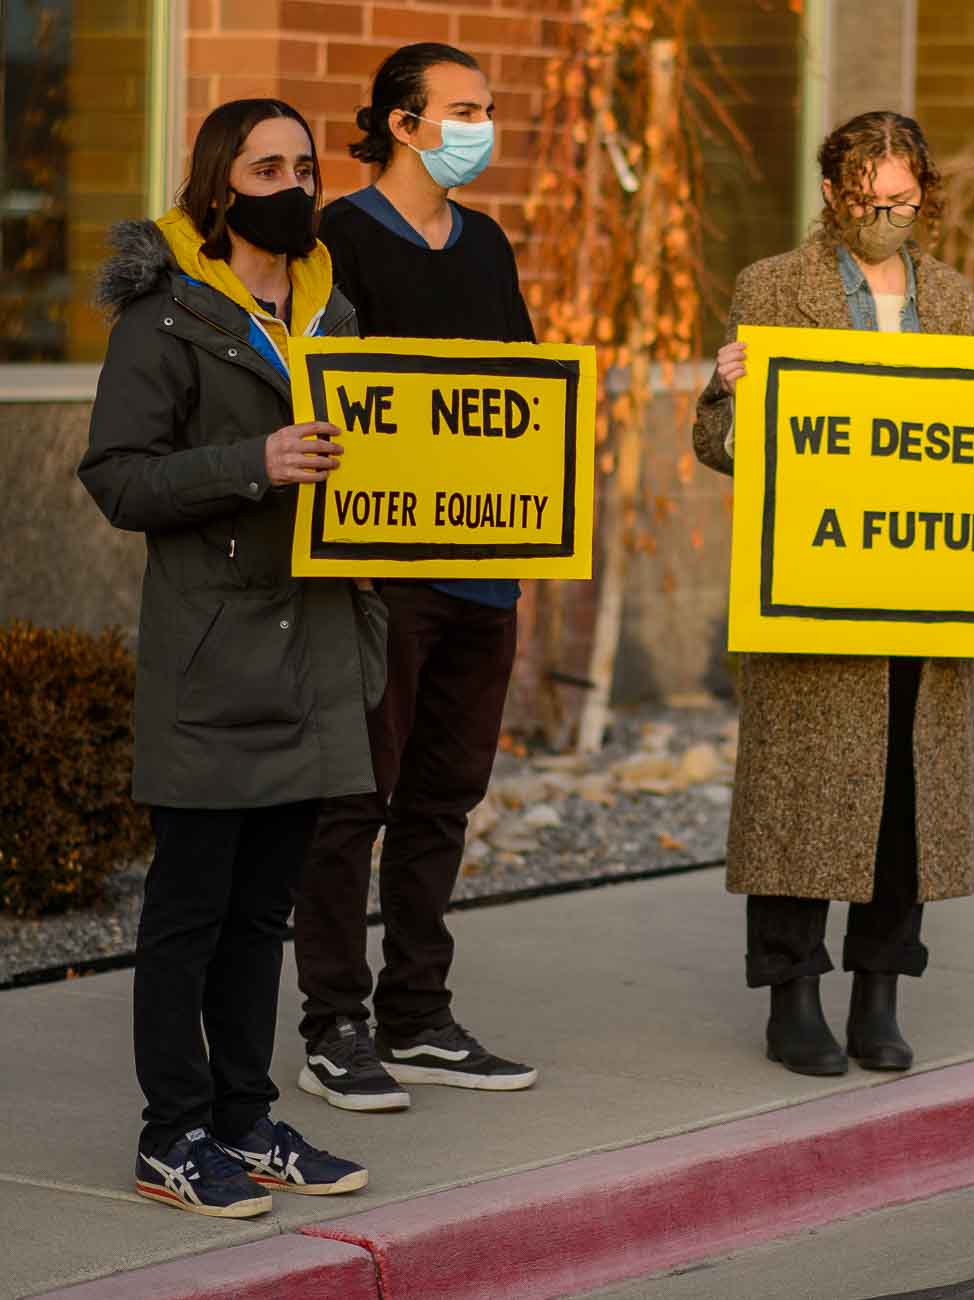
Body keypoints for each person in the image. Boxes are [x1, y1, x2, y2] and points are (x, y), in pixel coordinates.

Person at [692, 110, 974, 1076]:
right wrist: (725, 393)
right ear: (833, 194)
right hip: (814, 581)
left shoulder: (952, 297)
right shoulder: (774, 287)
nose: (885, 214)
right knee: (800, 801)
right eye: (866, 198)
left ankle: (878, 992)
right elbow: (718, 449)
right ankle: (791, 997)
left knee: (903, 800)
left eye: (902, 199)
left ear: (924, 193)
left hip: (923, 586)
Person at [80, 98, 375, 1216]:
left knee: (265, 913)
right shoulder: (163, 318)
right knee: (191, 911)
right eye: (266, 167)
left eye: (303, 164)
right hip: (215, 653)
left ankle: (248, 1119)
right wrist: (252, 460)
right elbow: (118, 476)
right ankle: (172, 1133)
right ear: (220, 188)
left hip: (315, 646)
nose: (292, 183)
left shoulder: (332, 309)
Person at [290, 42, 538, 1112]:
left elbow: (525, 390)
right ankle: (333, 1022)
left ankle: (418, 1012)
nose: (483, 126)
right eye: (464, 109)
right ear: (403, 121)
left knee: (445, 797)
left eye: (487, 108)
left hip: (484, 573)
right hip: (381, 575)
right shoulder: (335, 239)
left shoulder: (485, 242)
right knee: (357, 795)